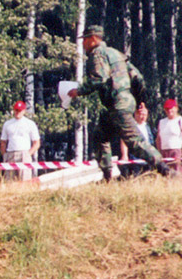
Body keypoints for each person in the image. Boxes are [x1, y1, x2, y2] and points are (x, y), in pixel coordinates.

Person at [68, 25, 177, 179]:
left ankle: (166, 171)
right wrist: (140, 100)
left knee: (134, 141)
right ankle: (107, 176)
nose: (83, 43)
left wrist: (79, 91)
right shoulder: (116, 54)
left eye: (85, 40)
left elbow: (100, 78)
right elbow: (137, 76)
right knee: (100, 136)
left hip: (118, 104)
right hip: (121, 103)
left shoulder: (97, 54)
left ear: (93, 39)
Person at [0, 100, 40, 181]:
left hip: (24, 153)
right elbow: (3, 142)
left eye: (20, 110)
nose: (18, 112)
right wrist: (5, 155)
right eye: (16, 110)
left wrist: (28, 154)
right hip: (10, 153)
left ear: (24, 111)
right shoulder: (7, 124)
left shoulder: (30, 123)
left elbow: (36, 143)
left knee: (25, 180)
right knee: (10, 181)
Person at [157, 98, 182, 171]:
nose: (169, 110)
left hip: (176, 151)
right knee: (166, 173)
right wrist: (159, 152)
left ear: (176, 108)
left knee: (177, 172)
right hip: (164, 151)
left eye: (171, 108)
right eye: (167, 109)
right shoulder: (162, 122)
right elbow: (158, 138)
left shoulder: (180, 120)